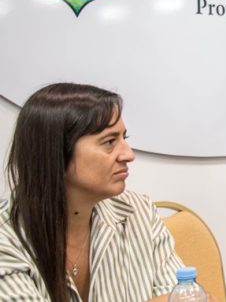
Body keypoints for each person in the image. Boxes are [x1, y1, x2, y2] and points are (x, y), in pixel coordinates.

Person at [0, 83, 185, 301]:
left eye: (124, 139)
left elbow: (186, 294)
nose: (128, 155)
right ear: (56, 153)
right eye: (110, 142)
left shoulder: (139, 212)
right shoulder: (6, 236)